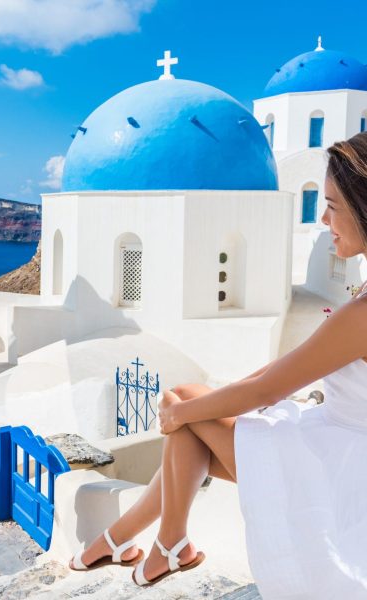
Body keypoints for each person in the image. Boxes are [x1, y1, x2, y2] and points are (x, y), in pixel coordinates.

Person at [69, 132, 367, 599]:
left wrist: (177, 412)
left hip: (339, 468)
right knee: (192, 420)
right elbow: (287, 368)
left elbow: (267, 391)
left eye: (332, 205)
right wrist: (193, 411)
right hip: (338, 446)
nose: (324, 219)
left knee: (186, 404)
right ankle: (152, 543)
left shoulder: (363, 313)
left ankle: (151, 543)